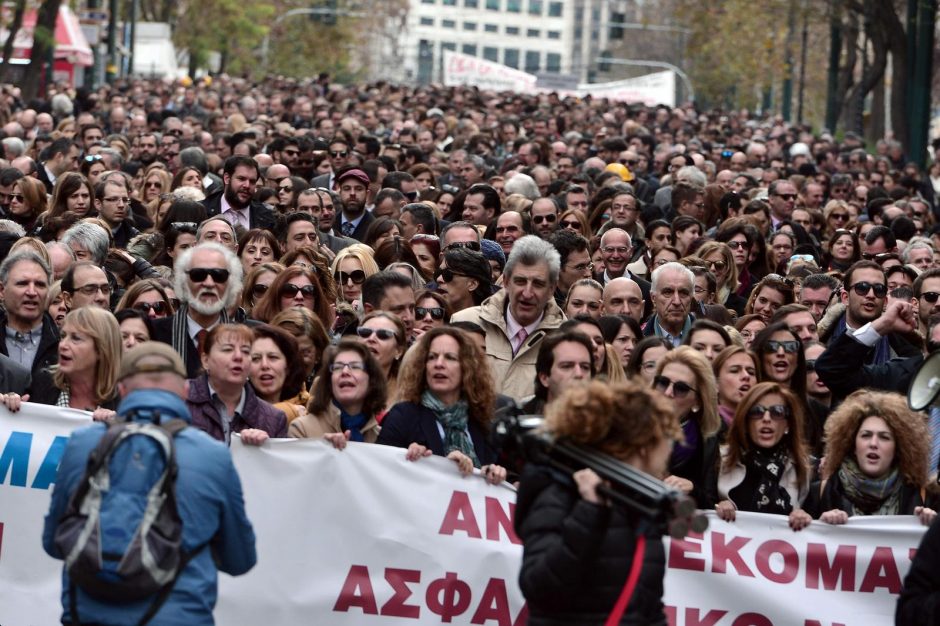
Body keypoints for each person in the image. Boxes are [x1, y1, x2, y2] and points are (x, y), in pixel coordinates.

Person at [38, 341, 257, 624]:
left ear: (122, 389)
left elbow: (54, 544)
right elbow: (239, 560)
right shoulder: (212, 455)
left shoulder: (82, 444)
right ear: (185, 391)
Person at [515, 379, 680, 626]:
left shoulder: (641, 507)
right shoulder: (562, 495)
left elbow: (647, 606)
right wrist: (588, 514)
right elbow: (539, 587)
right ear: (642, 445)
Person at [377, 326, 506, 483]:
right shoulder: (403, 416)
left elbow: (503, 472)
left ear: (467, 368)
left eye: (450, 357)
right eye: (432, 357)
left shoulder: (481, 421)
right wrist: (418, 461)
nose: (439, 364)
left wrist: (493, 472)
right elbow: (381, 472)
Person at [451, 235, 565, 398]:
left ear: (552, 289)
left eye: (538, 284)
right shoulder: (464, 323)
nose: (527, 293)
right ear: (505, 281)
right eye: (520, 281)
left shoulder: (565, 339)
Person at [803, 390, 936, 525]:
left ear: (898, 448)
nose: (873, 444)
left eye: (884, 437)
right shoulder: (819, 493)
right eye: (866, 435)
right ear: (852, 445)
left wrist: (933, 527)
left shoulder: (923, 498)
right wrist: (820, 524)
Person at [714, 382, 813, 530]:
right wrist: (718, 507)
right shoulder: (720, 458)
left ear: (788, 425)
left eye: (777, 412)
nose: (766, 418)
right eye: (757, 411)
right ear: (745, 421)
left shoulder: (803, 467)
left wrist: (804, 516)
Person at [186, 323, 288, 444]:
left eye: (246, 351)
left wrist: (265, 448)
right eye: (228, 350)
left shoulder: (274, 419)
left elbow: (278, 462)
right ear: (205, 360)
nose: (238, 357)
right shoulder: (179, 397)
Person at [651, 345, 721, 507]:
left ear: (697, 401)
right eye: (663, 382)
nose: (668, 392)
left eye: (681, 388)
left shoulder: (706, 441)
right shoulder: (629, 425)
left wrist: (692, 489)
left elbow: (711, 502)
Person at [27, 307, 122, 412]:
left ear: (101, 349)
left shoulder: (124, 399)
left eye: (76, 338)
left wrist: (114, 423)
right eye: (63, 336)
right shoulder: (43, 383)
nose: (63, 345)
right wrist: (12, 405)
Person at [289, 340, 387, 442]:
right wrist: (323, 448)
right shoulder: (302, 429)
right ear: (329, 381)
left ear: (372, 379)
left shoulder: (382, 438)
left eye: (355, 366)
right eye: (338, 367)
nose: (345, 372)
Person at [249, 324, 307, 422]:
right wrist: (288, 411)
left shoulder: (310, 408)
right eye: (255, 359)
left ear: (288, 366)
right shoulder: (233, 410)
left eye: (273, 357)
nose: (264, 365)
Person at [713, 345, 758, 426]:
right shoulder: (702, 428)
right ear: (716, 383)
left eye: (751, 372)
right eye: (735, 371)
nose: (746, 376)